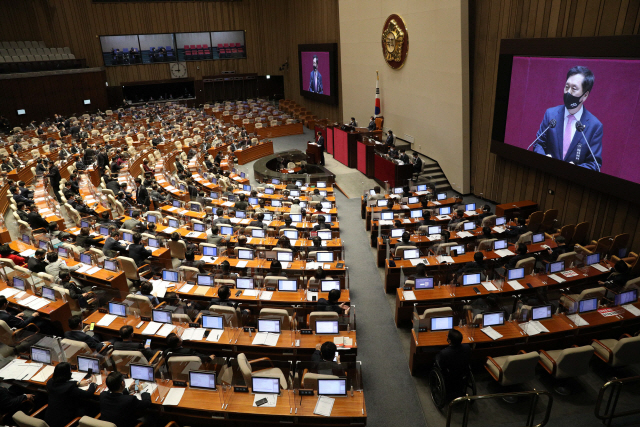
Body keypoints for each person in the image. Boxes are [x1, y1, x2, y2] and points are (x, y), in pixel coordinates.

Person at [533, 66, 602, 170]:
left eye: (574, 89)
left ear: (585, 96)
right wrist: (543, 158)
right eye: (566, 87)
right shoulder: (551, 114)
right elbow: (538, 143)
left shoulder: (594, 126)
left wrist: (575, 170)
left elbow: (594, 163)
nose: (568, 92)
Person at [45, 362, 96, 427]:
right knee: (90, 407)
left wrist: (77, 383)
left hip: (50, 418)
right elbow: (88, 394)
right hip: (64, 420)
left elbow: (64, 384)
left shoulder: (50, 382)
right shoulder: (69, 388)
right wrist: (93, 383)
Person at [435, 329, 471, 401]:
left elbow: (442, 366)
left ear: (449, 340)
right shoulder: (467, 347)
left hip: (449, 375)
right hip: (463, 373)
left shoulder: (444, 353)